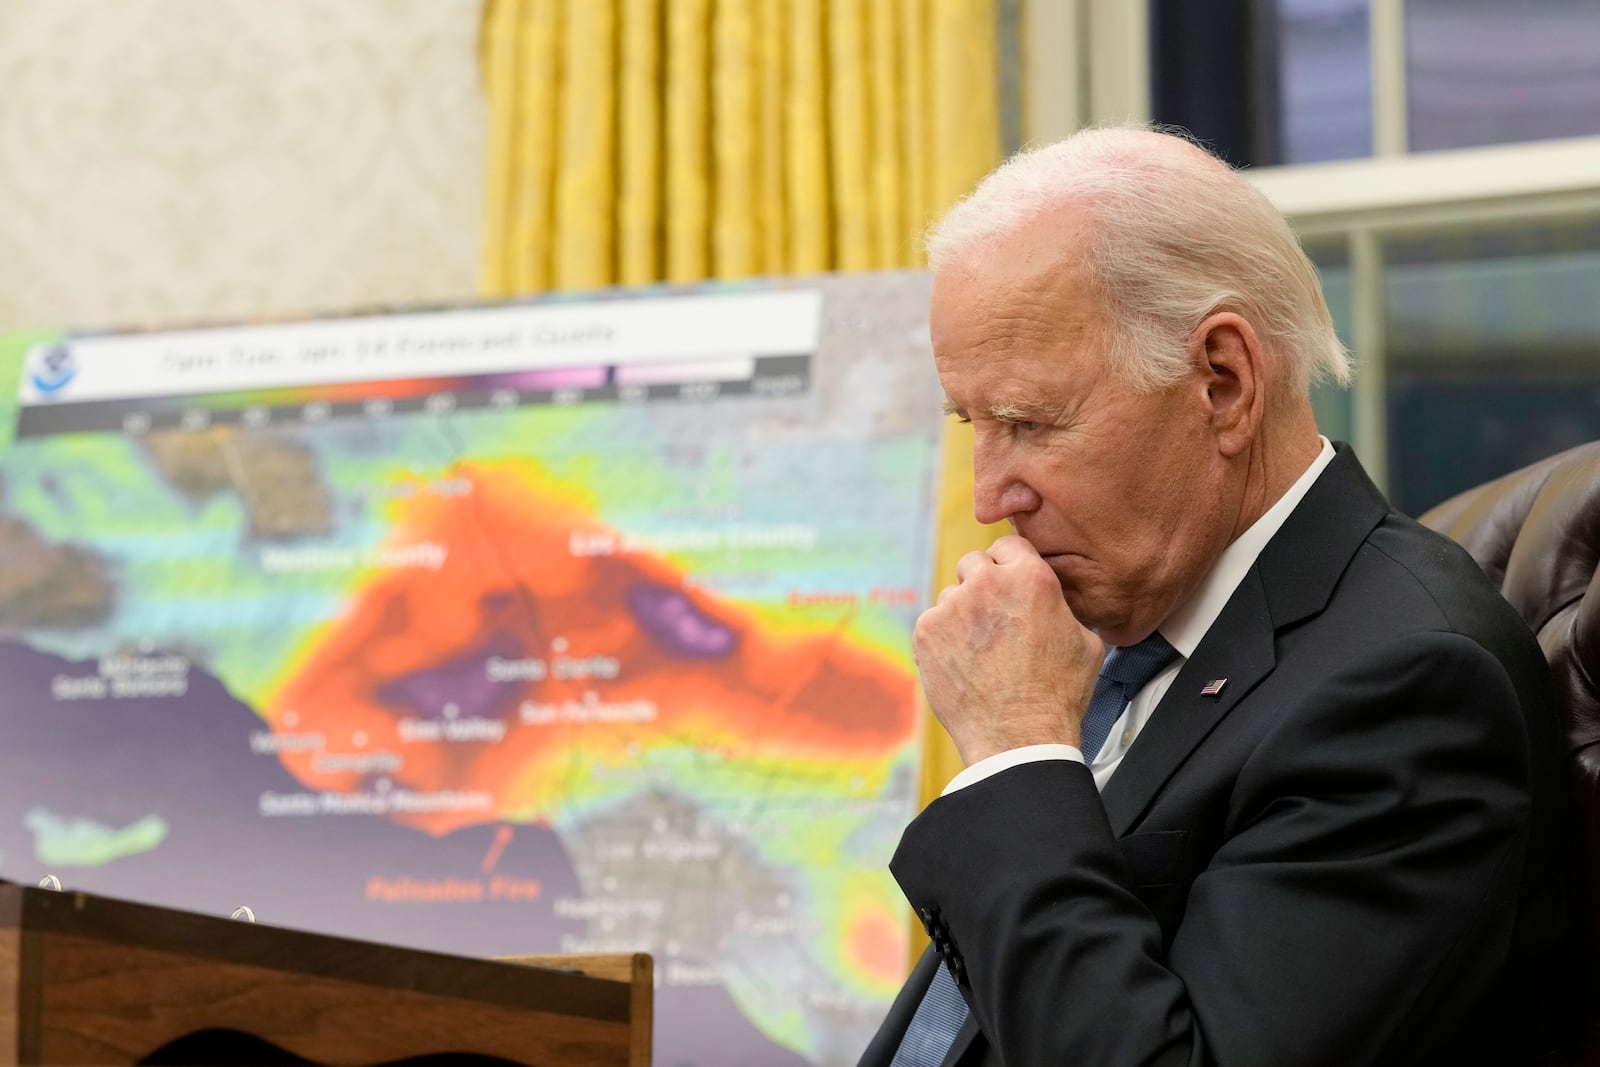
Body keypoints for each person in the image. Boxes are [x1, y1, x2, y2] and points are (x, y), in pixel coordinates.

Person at [858, 127, 1569, 1067]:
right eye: (973, 423)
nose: (990, 496)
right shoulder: (1121, 634)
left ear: (1223, 382)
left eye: (1031, 421)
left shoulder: (1407, 683)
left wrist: (1019, 750)